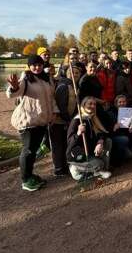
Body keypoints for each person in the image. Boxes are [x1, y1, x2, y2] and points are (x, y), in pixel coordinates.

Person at [6, 55, 59, 191]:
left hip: (41, 121)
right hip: (28, 121)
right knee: (28, 150)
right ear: (29, 66)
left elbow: (51, 97)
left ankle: (30, 174)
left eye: (39, 64)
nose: (37, 67)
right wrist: (13, 87)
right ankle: (25, 179)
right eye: (34, 65)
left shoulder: (47, 79)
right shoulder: (26, 79)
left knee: (33, 150)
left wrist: (54, 112)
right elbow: (13, 93)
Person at [66, 96, 112, 181]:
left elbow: (101, 132)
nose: (93, 106)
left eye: (94, 104)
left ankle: (99, 170)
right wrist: (78, 133)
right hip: (79, 156)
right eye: (90, 104)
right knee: (99, 164)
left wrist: (100, 142)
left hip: (91, 151)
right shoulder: (77, 120)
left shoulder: (92, 118)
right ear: (83, 105)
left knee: (108, 141)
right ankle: (76, 168)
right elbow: (70, 142)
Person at [51, 65, 81, 176]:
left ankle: (65, 166)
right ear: (67, 73)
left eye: (77, 73)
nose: (74, 74)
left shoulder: (74, 86)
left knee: (65, 143)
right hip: (59, 121)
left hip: (68, 120)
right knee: (58, 145)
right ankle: (59, 169)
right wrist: (68, 120)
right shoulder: (63, 85)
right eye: (72, 72)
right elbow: (61, 105)